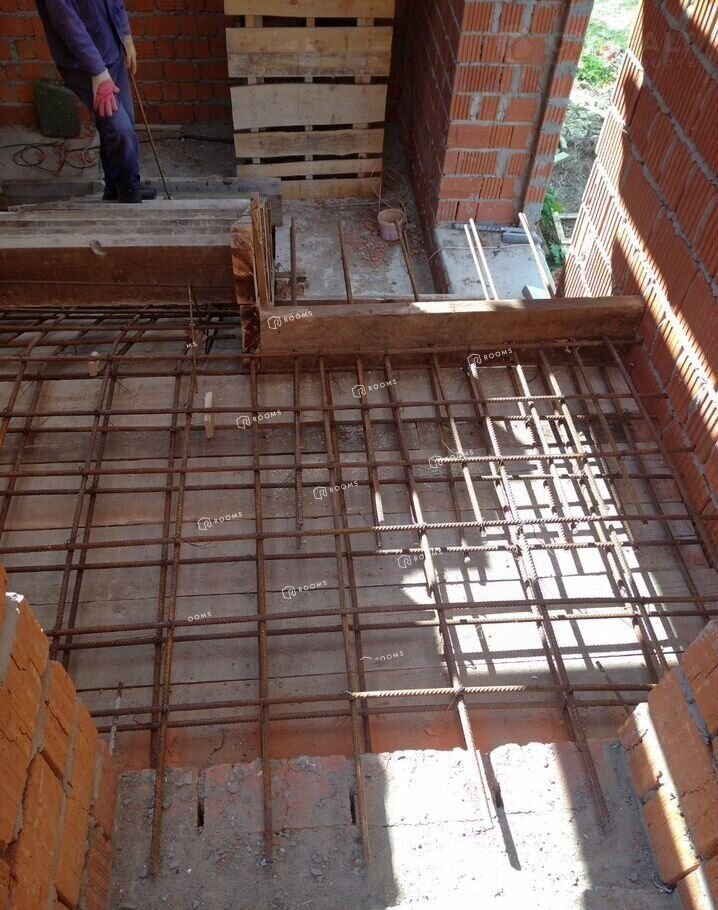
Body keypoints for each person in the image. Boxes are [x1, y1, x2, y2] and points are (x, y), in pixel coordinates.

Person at [35, 0, 157, 203]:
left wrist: (126, 35)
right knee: (120, 128)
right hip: (84, 65)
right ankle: (129, 194)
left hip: (112, 50)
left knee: (124, 121)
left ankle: (117, 186)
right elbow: (68, 25)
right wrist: (98, 72)